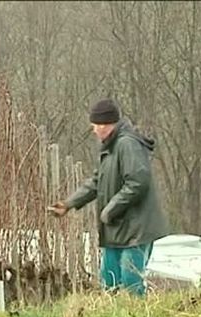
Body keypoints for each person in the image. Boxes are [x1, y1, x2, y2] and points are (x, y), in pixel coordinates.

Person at [49, 99, 170, 296]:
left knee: (131, 282)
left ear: (105, 124)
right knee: (109, 281)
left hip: (136, 229)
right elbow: (97, 181)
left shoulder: (127, 145)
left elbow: (138, 182)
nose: (94, 131)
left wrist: (111, 208)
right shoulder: (110, 148)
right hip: (117, 227)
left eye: (95, 126)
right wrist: (69, 204)